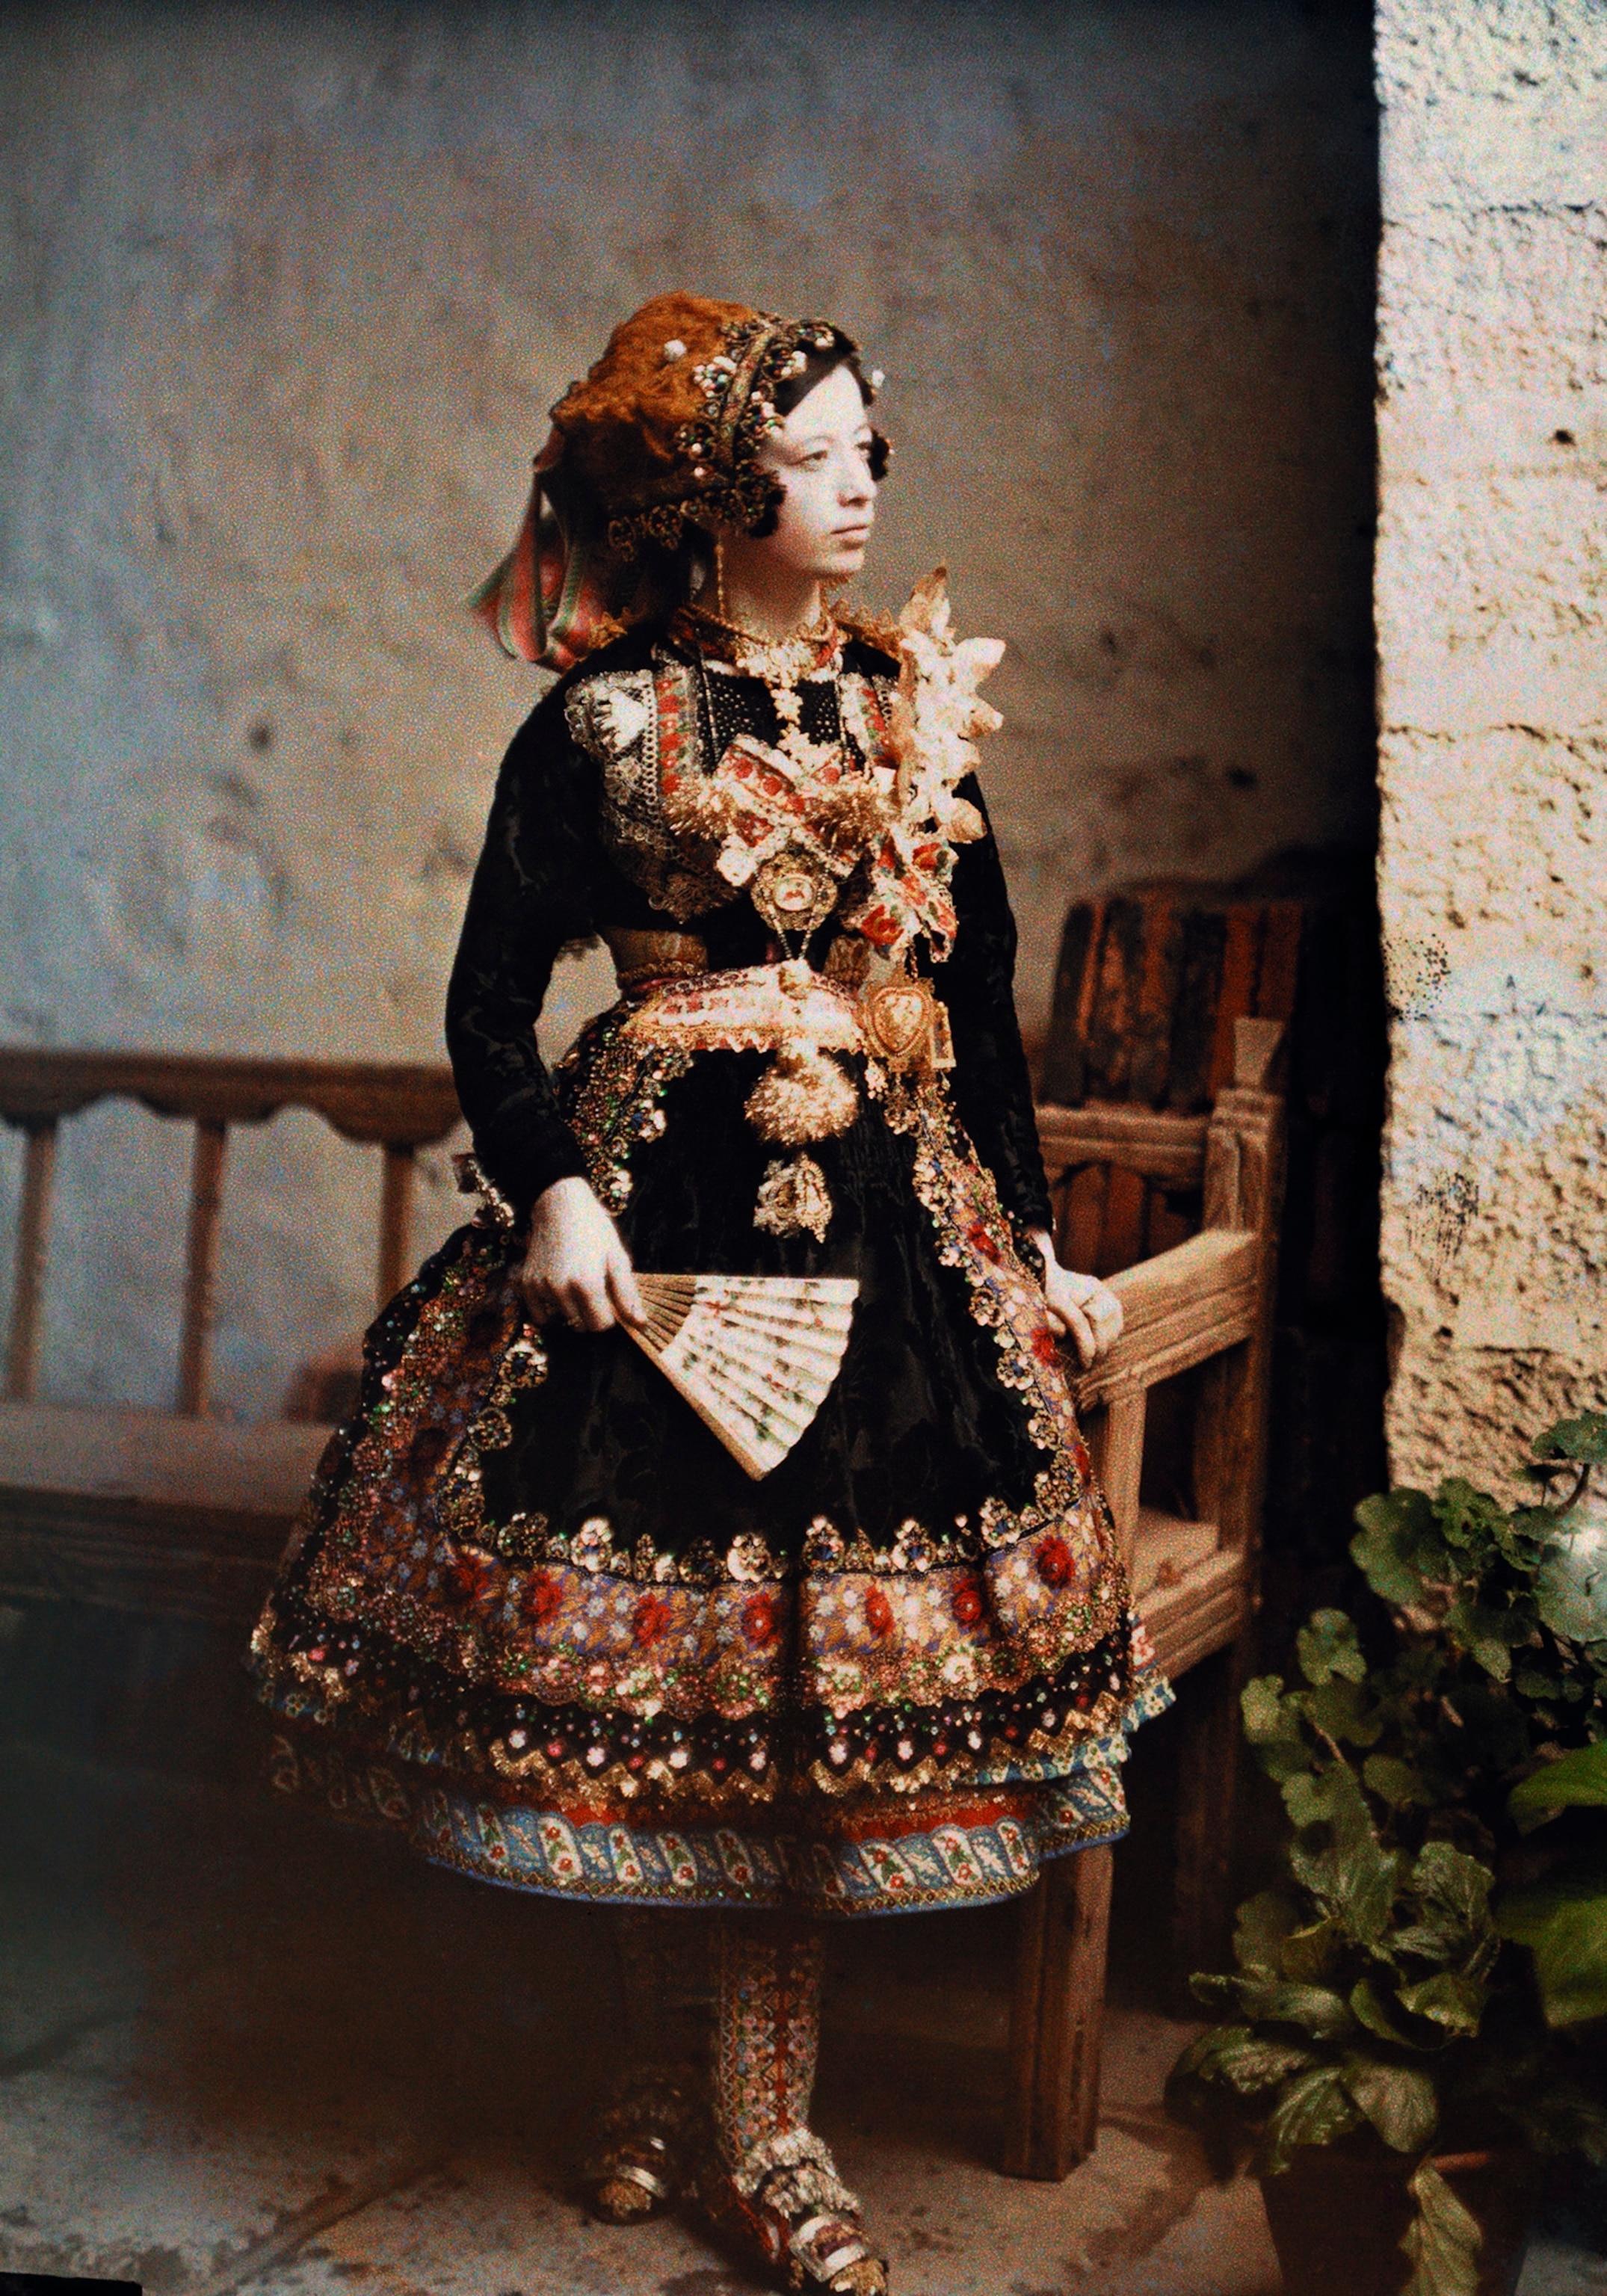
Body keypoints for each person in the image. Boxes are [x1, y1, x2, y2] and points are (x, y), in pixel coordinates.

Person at [249, 291, 1169, 2295]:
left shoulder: (913, 701)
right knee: (667, 1696)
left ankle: (765, 2123)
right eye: (822, 453)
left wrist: (1028, 1245)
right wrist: (559, 1193)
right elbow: (490, 1010)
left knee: (799, 1697)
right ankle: (657, 2077)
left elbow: (979, 1027)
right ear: (712, 482)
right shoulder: (596, 719)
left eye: (871, 458)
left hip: (878, 1237)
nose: (861, 486)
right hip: (655, 1235)